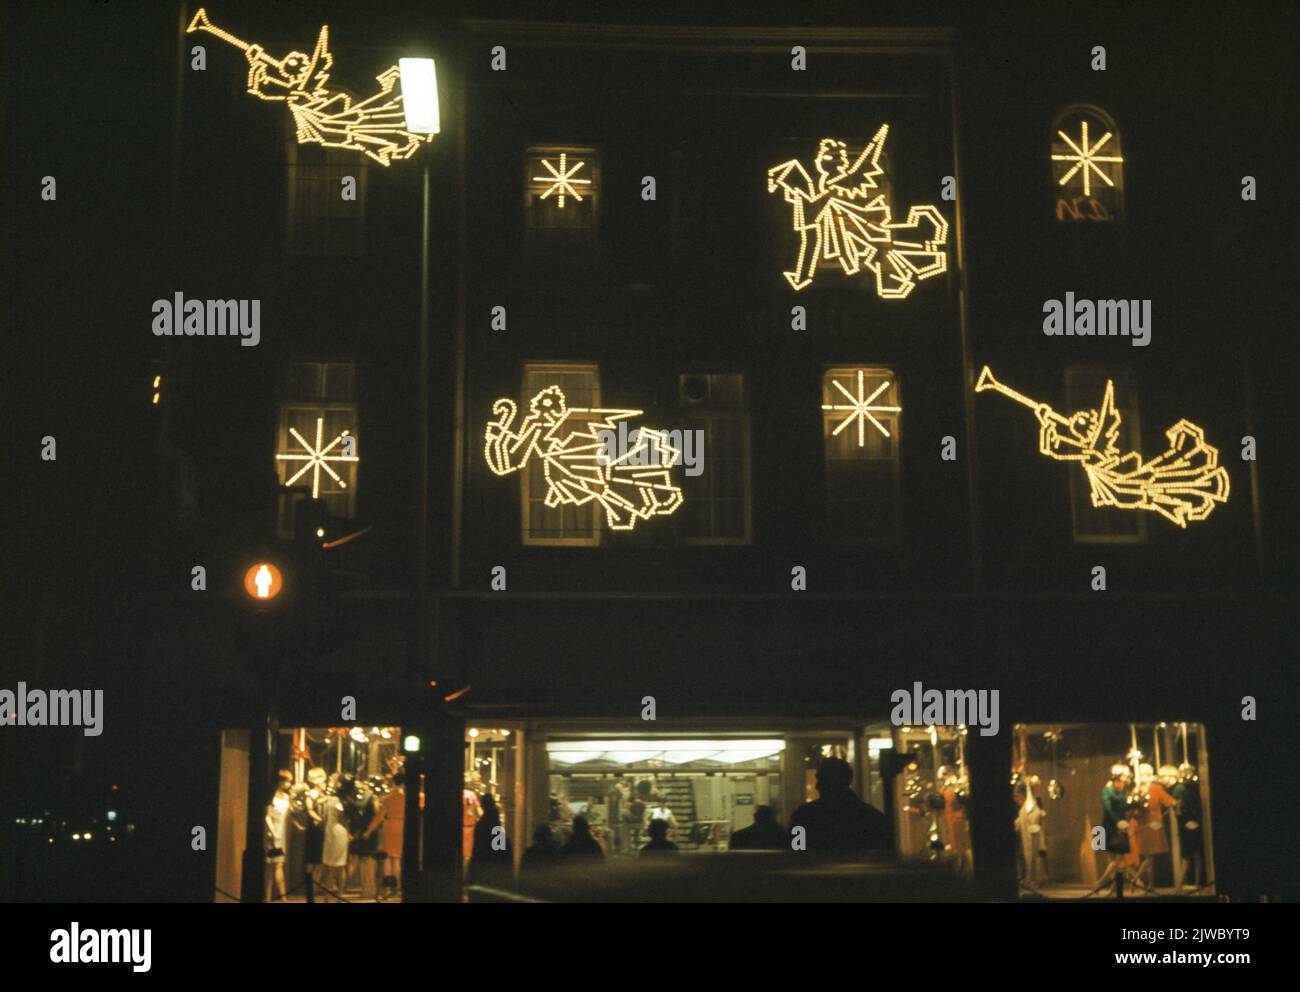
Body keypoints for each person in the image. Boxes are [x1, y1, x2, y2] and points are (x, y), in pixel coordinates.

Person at [788, 757, 888, 854]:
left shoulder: (804, 815)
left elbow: (797, 853)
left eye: (823, 780)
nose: (817, 786)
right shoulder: (870, 817)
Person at [468, 792, 512, 889]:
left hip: (484, 868)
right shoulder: (496, 826)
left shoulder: (482, 825)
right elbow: (500, 852)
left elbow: (477, 849)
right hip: (493, 871)